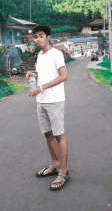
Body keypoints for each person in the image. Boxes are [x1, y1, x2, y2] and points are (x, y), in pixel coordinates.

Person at [26, 25, 69, 191]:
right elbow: (43, 74)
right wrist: (33, 74)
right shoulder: (39, 55)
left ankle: (63, 171)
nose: (37, 39)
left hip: (55, 100)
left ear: (48, 37)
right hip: (41, 100)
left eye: (40, 36)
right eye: (35, 37)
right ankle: (55, 163)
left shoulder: (56, 54)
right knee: (48, 134)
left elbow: (63, 76)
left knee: (59, 134)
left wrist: (42, 87)